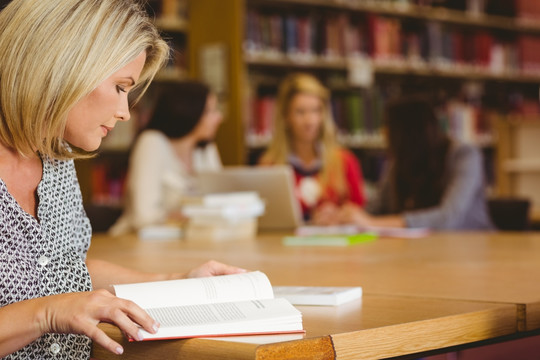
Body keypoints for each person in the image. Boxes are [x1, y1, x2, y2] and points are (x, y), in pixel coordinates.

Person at [0, 1, 244, 358]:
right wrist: (48, 314)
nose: (125, 112)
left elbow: (66, 272)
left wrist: (176, 283)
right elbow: (54, 300)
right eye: (120, 87)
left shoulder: (55, 158)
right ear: (61, 65)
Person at [339, 96, 495, 230]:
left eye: (388, 127)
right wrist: (344, 215)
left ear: (407, 132)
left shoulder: (464, 155)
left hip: (471, 250)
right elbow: (377, 207)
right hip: (422, 250)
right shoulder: (401, 160)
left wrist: (373, 223)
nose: (383, 133)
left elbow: (449, 217)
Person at [110, 80, 223, 235]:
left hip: (190, 239)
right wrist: (193, 216)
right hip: (139, 242)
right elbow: (143, 217)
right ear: (189, 111)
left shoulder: (206, 149)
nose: (219, 117)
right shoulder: (152, 142)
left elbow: (219, 202)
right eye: (210, 111)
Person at [258, 73, 366, 225]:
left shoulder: (345, 161)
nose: (309, 121)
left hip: (337, 245)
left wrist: (340, 215)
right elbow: (266, 219)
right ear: (286, 116)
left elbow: (359, 212)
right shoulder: (270, 166)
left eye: (316, 111)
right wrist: (309, 221)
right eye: (300, 112)